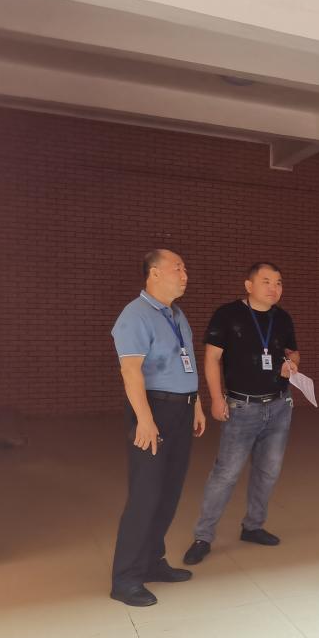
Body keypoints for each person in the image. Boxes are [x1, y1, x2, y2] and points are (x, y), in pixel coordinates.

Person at [183, 263, 300, 565]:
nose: (274, 288)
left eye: (278, 282)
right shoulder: (227, 315)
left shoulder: (282, 317)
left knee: (268, 471)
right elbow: (212, 359)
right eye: (266, 281)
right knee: (225, 474)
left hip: (279, 406)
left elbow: (292, 351)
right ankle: (203, 536)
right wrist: (216, 398)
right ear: (249, 286)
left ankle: (253, 526)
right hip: (242, 407)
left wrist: (292, 364)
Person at [110, 249, 206, 607]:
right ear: (153, 274)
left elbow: (186, 363)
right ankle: (125, 579)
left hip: (181, 409)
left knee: (169, 492)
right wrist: (145, 420)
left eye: (185, 269)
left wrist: (196, 403)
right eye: (177, 268)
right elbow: (130, 372)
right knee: (146, 495)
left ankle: (152, 561)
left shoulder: (177, 315)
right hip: (153, 411)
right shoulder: (135, 315)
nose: (185, 275)